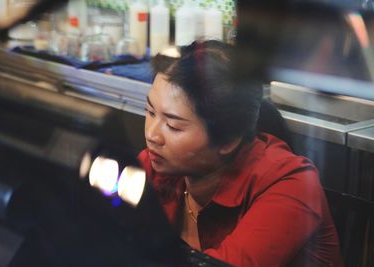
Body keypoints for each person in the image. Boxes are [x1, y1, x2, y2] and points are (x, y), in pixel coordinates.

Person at [137, 40, 344, 267]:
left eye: (174, 126)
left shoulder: (291, 184)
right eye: (150, 112)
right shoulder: (156, 165)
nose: (152, 135)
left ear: (228, 140)